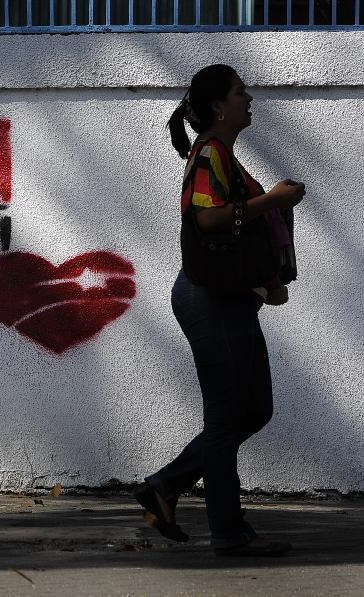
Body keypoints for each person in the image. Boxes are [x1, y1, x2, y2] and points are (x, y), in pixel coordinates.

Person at [134, 64, 306, 556]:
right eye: (239, 92)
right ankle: (227, 532)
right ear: (217, 106)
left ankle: (166, 485)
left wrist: (269, 270)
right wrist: (270, 199)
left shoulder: (222, 154)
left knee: (254, 408)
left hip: (228, 300)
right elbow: (208, 219)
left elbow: (239, 230)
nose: (248, 98)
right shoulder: (210, 152)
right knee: (228, 416)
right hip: (209, 301)